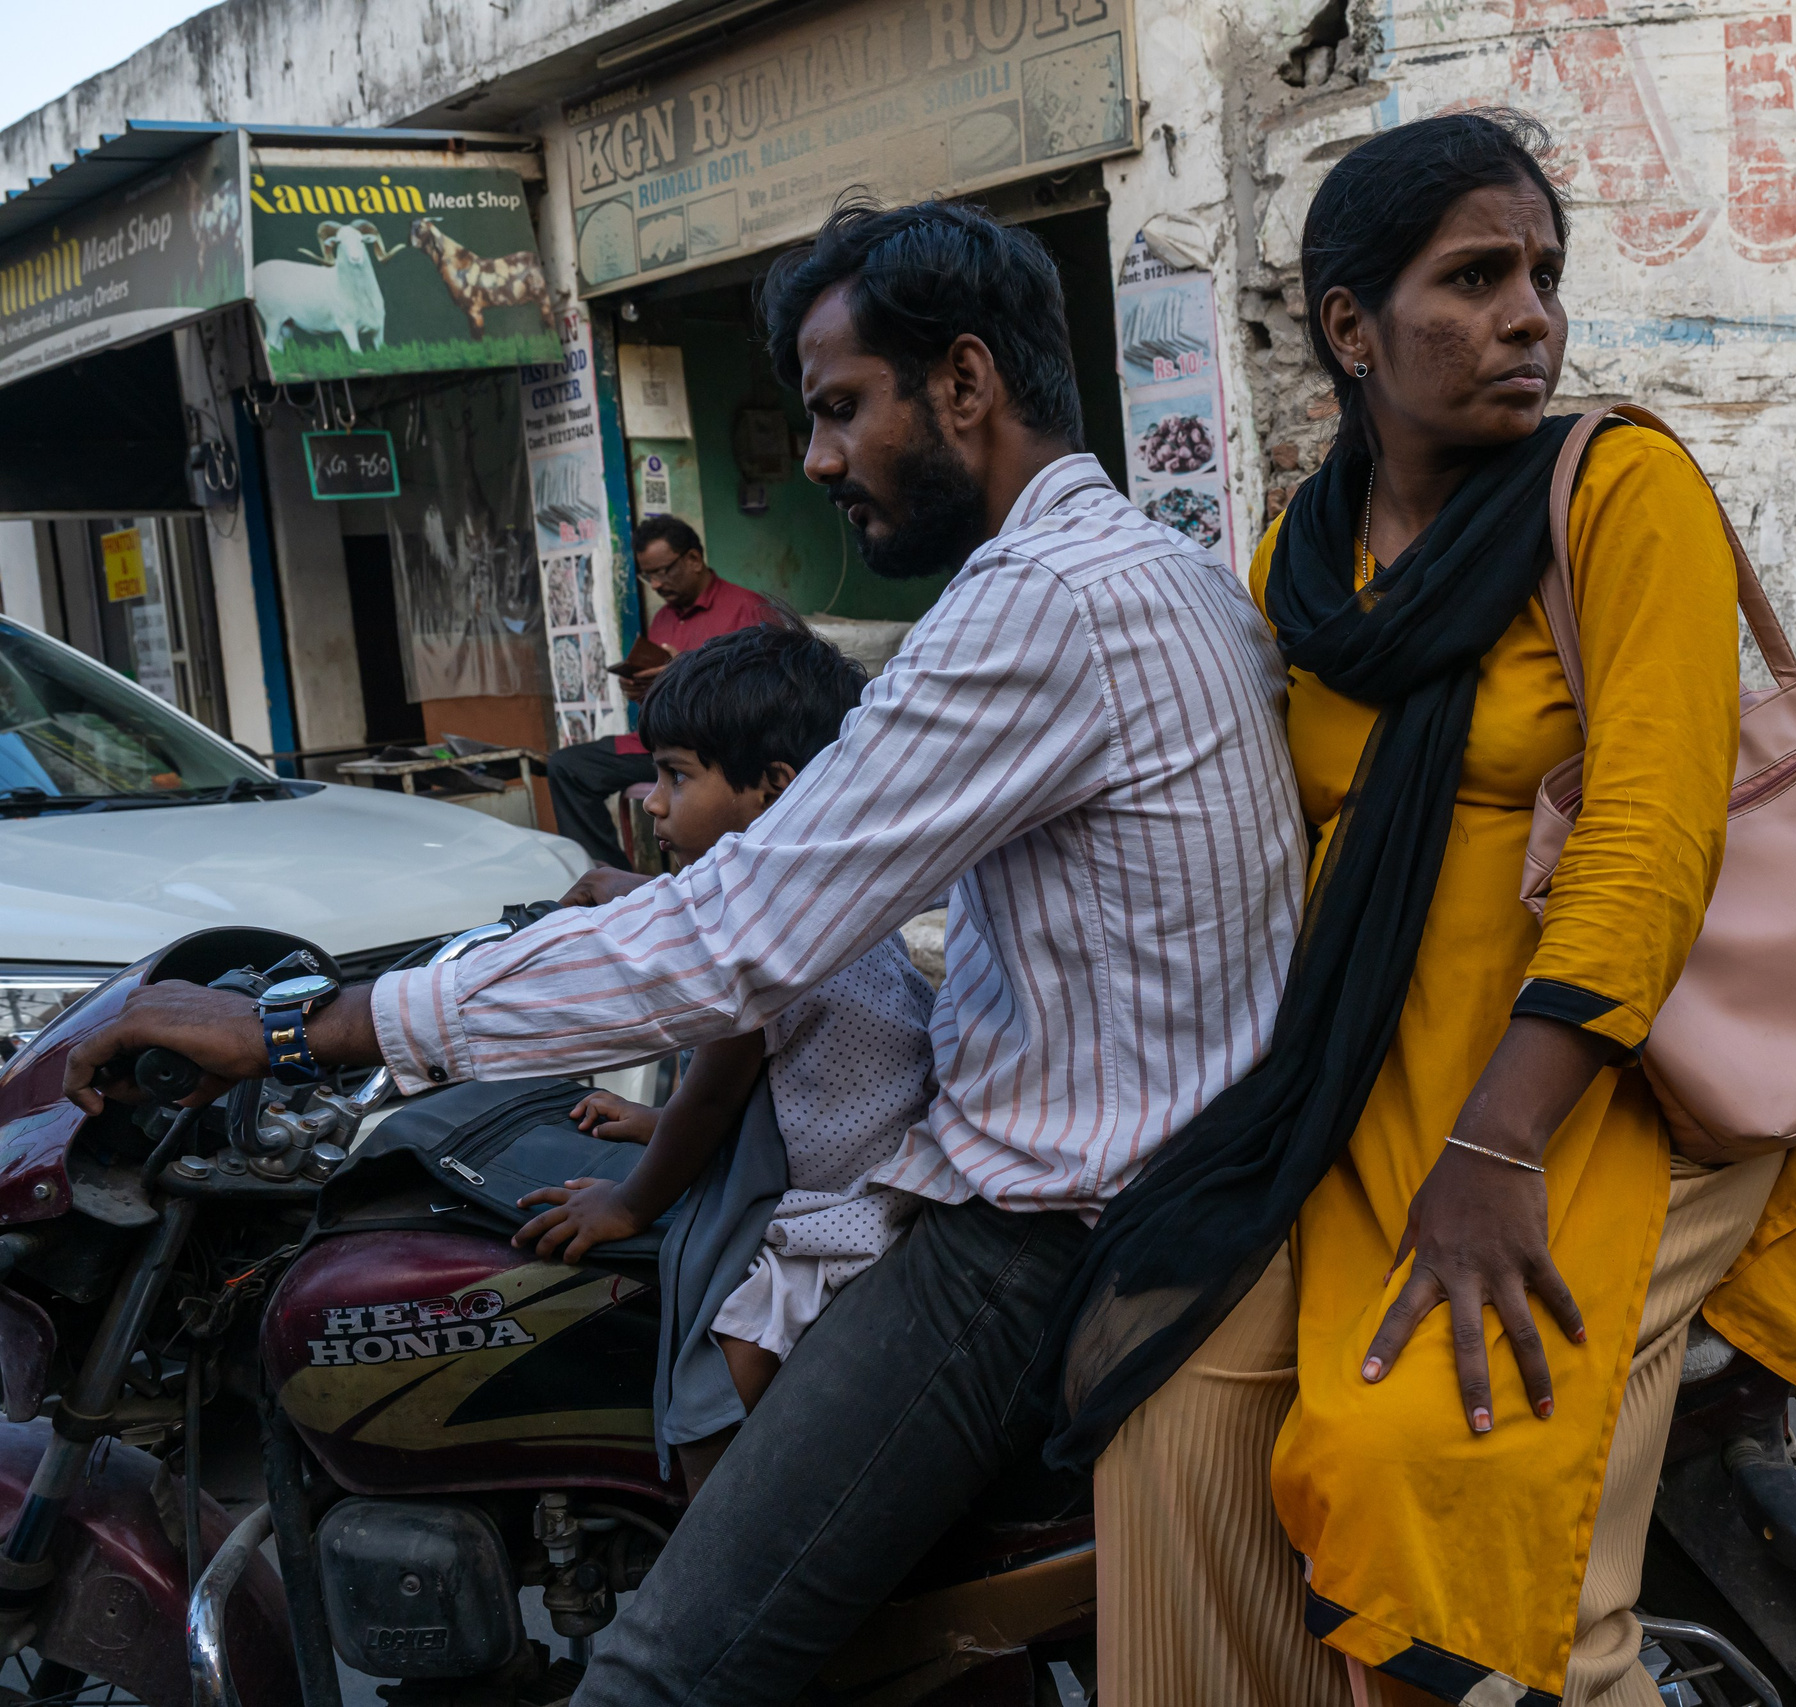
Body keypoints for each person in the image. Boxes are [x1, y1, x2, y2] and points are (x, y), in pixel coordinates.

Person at [67, 196, 1305, 1707]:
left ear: (966, 384)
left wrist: (301, 1025)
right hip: (1168, 1173)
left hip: (1037, 1236)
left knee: (658, 1674)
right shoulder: (1167, 570)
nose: (824, 460)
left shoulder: (1038, 606)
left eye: (843, 409)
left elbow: (733, 937)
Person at [1049, 112, 1796, 1706]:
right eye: (1475, 275)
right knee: (1161, 1405)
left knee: (1420, 1462)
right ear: (1351, 328)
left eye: (1543, 276)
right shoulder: (1300, 556)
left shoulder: (1619, 491)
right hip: (1363, 1096)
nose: (1530, 316)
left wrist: (1501, 1144)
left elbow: (1650, 831)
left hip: (1599, 1094)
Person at [511, 621, 936, 1498]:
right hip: (872, 1157)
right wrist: (657, 1122)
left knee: (713, 1396)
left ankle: (718, 1552)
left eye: (676, 774)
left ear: (774, 791)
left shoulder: (753, 950)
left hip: (851, 1212)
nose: (651, 801)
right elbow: (784, 1078)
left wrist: (629, 1202)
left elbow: (713, 1100)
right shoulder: (831, 890)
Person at [546, 515, 784, 870]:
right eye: (648, 575)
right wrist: (642, 689)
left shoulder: (749, 608)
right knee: (568, 766)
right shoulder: (663, 620)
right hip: (661, 744)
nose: (656, 583)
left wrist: (684, 673)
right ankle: (610, 879)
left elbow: (767, 695)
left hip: (716, 746)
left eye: (664, 571)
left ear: (693, 559)